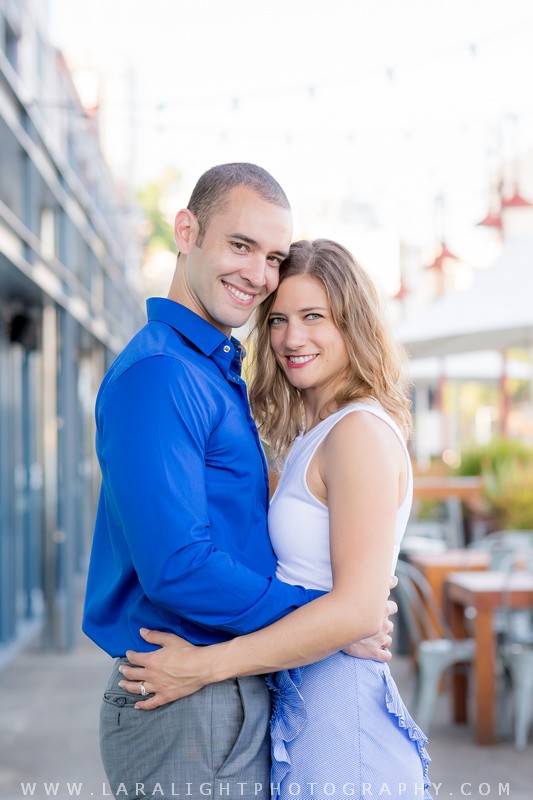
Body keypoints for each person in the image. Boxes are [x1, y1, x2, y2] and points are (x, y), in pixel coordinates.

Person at [83, 164, 396, 800]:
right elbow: (178, 565)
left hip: (223, 692)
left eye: (273, 256)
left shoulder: (210, 374)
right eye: (240, 245)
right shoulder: (163, 374)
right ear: (187, 230)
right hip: (181, 703)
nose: (257, 275)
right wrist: (328, 616)